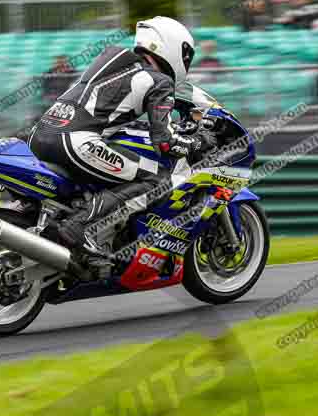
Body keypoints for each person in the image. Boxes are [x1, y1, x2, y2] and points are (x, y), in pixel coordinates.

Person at [28, 16, 210, 255]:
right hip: (75, 141)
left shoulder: (114, 60)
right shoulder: (161, 81)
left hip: (40, 134)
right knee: (158, 180)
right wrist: (197, 143)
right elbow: (164, 142)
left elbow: (107, 111)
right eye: (186, 55)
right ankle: (77, 225)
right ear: (173, 47)